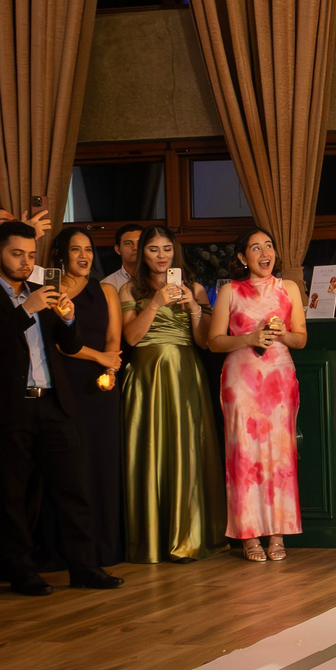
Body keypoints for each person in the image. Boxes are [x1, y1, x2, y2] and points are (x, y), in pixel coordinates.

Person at [0, 221, 121, 596]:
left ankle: (84, 566)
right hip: (8, 406)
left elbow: (69, 341)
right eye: (17, 254)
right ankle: (20, 571)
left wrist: (67, 317)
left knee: (73, 485)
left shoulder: (42, 289)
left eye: (31, 255)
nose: (24, 262)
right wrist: (25, 310)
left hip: (53, 400)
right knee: (13, 492)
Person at [120, 225, 224, 562]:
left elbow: (206, 341)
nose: (161, 256)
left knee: (186, 450)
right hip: (146, 378)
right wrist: (155, 303)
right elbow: (132, 338)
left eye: (167, 249)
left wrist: (194, 305)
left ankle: (189, 536)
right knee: (149, 452)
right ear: (141, 254)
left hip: (184, 374)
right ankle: (148, 539)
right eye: (153, 249)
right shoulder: (127, 290)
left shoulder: (193, 286)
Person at [202, 226, 306, 558]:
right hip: (241, 379)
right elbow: (214, 341)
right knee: (244, 455)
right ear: (242, 257)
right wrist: (249, 338)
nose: (265, 254)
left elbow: (302, 338)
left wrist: (282, 335)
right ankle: (248, 536)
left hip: (279, 376)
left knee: (280, 456)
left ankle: (278, 534)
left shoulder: (288, 288)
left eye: (269, 246)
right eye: (256, 248)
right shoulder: (231, 291)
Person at [46, 225, 126, 568]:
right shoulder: (47, 291)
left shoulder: (105, 289)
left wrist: (109, 369)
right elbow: (57, 344)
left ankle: (104, 549)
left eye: (89, 250)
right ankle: (63, 552)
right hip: (61, 384)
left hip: (100, 387)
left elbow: (113, 338)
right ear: (61, 255)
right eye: (76, 250)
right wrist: (101, 358)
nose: (84, 256)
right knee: (67, 466)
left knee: (101, 465)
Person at [103, 223, 144, 297]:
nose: (135, 248)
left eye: (140, 243)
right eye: (128, 243)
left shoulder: (159, 278)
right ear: (118, 249)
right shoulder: (108, 284)